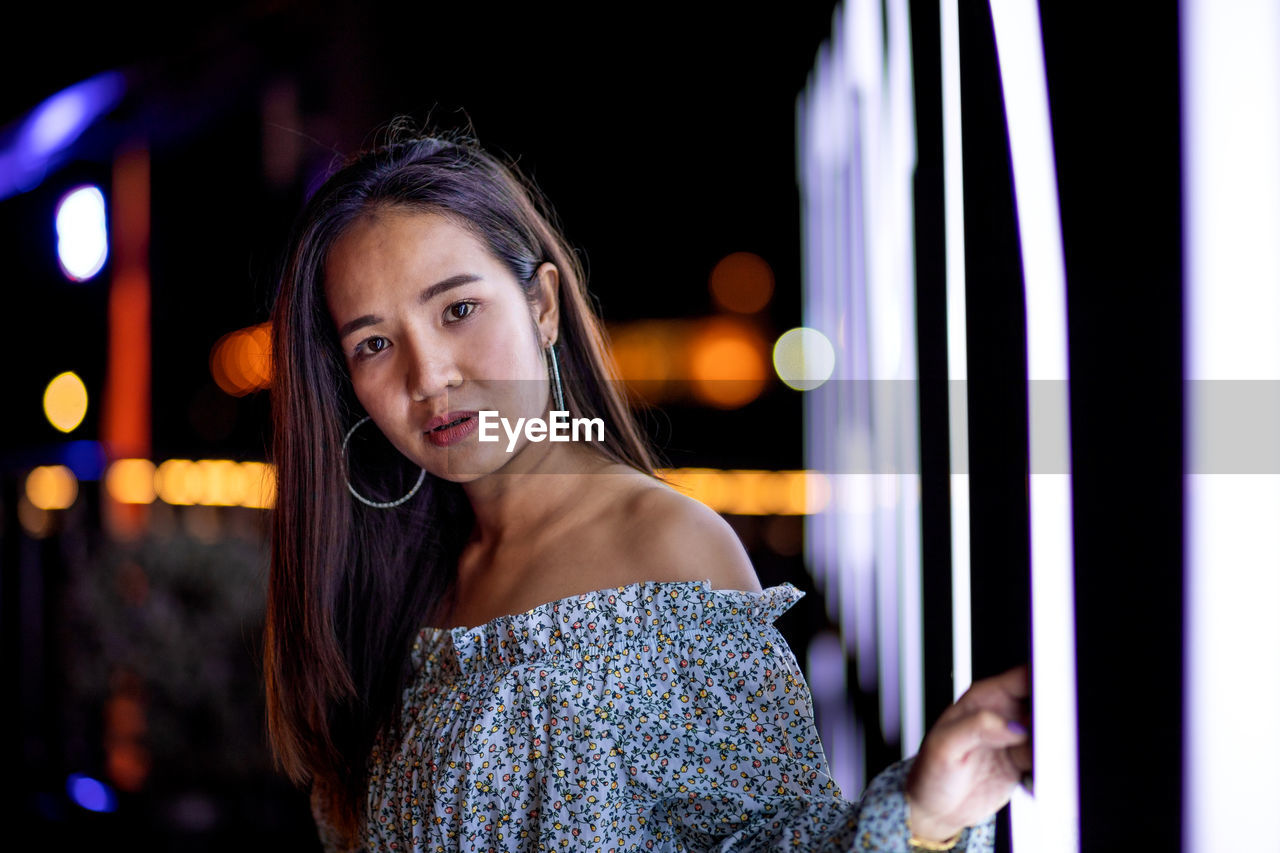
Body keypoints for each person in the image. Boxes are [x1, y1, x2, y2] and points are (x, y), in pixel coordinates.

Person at [263, 130, 1031, 852]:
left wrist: (924, 813)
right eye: (375, 343)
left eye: (458, 310)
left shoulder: (663, 546)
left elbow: (768, 835)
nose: (428, 375)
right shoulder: (392, 579)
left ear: (543, 305)